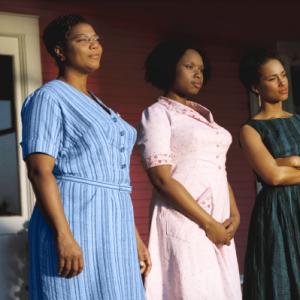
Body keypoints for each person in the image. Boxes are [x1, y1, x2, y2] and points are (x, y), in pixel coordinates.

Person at [21, 14, 151, 300]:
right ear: (60, 50)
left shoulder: (97, 103)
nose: (95, 46)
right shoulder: (49, 98)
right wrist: (63, 236)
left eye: (96, 39)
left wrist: (135, 239)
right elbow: (39, 171)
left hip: (114, 224)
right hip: (75, 219)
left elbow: (114, 180)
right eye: (83, 40)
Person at [136, 40, 242, 300]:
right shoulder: (158, 114)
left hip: (219, 224)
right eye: (189, 66)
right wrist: (208, 223)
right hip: (185, 220)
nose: (198, 74)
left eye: (202, 69)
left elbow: (218, 167)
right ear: (169, 68)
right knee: (193, 289)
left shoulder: (204, 117)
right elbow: (161, 179)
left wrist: (235, 214)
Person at [239, 49, 300, 299]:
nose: (282, 82)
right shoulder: (250, 129)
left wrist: (291, 161)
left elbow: (279, 170)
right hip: (279, 213)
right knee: (282, 278)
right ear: (256, 87)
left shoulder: (298, 121)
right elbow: (273, 176)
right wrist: (288, 163)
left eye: (283, 75)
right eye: (272, 78)